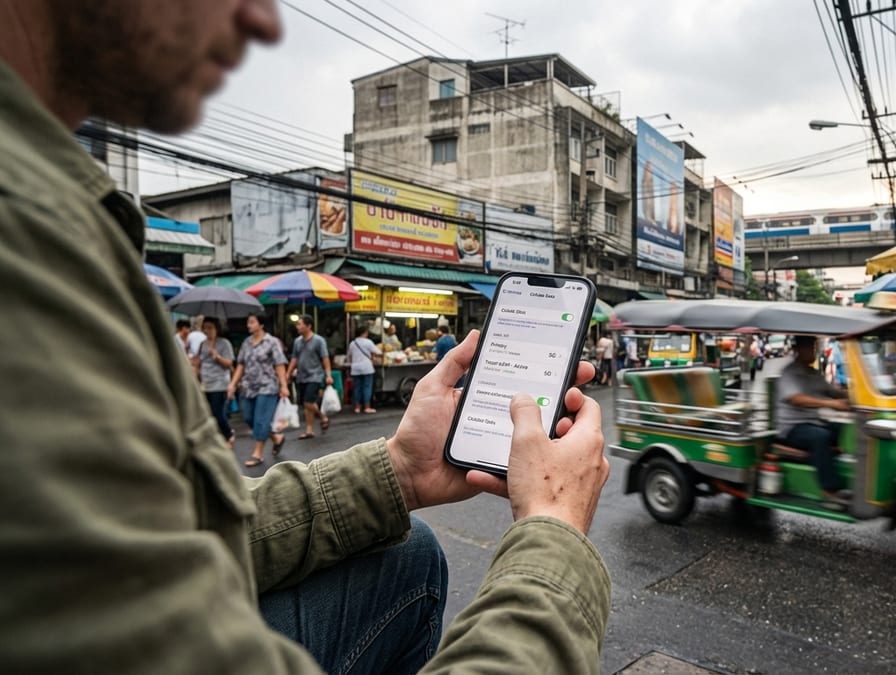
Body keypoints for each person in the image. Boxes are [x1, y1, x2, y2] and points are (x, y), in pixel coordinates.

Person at [0, 2, 612, 673]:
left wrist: (399, 470)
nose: (263, 22)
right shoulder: (31, 239)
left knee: (409, 554)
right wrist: (553, 537)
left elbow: (170, 531)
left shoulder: (58, 203)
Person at [774, 336, 850, 505]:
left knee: (843, 429)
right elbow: (797, 399)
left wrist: (852, 396)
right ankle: (829, 490)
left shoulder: (814, 373)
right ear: (799, 349)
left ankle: (840, 474)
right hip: (791, 428)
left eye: (815, 347)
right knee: (820, 437)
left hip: (811, 423)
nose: (815, 351)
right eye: (811, 347)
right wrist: (832, 404)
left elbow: (832, 391)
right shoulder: (789, 373)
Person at [228, 313, 290, 467]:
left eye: (252, 322)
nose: (248, 325)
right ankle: (276, 438)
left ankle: (257, 453)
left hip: (267, 386)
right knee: (249, 417)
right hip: (248, 386)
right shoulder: (246, 343)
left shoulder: (272, 342)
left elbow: (279, 364)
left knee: (261, 420)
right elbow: (241, 364)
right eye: (248, 322)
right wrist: (233, 384)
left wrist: (283, 385)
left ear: (261, 324)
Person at [287, 314, 333, 439]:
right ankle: (309, 429)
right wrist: (288, 373)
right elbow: (294, 359)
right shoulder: (297, 342)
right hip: (301, 376)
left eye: (300, 324)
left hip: (315, 375)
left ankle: (323, 417)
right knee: (306, 404)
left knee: (308, 401)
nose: (297, 327)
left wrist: (328, 375)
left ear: (308, 326)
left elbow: (325, 359)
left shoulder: (319, 341)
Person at [197, 317, 237, 446]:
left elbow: (229, 363)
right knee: (208, 414)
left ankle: (228, 435)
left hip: (219, 384)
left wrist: (217, 356)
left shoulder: (224, 343)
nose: (207, 330)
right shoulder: (202, 344)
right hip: (205, 383)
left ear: (216, 329)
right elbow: (199, 362)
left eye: (210, 328)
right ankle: (216, 438)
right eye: (205, 328)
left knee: (218, 412)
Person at [348, 323, 381, 414]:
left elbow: (349, 356)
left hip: (355, 368)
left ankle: (357, 407)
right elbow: (378, 352)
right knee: (367, 387)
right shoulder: (368, 342)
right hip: (367, 367)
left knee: (357, 387)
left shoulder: (352, 343)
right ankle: (367, 407)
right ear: (364, 333)